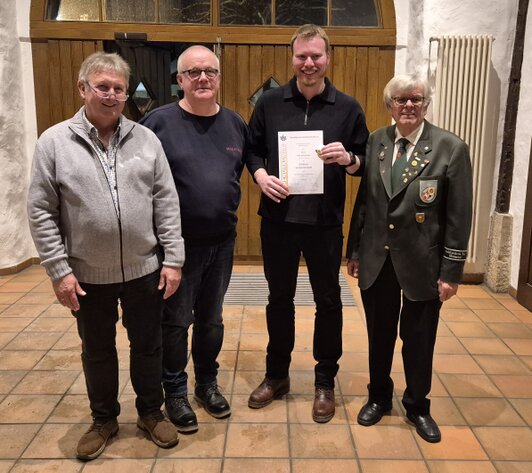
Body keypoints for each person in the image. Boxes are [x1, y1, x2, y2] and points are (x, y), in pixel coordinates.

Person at [27, 52, 183, 460]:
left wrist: (173, 259)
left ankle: (150, 412)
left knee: (148, 346)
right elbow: (40, 210)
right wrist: (59, 270)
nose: (111, 95)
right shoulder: (54, 142)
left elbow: (166, 202)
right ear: (83, 88)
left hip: (145, 269)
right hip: (86, 274)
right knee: (97, 350)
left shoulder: (146, 140)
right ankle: (103, 419)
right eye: (103, 87)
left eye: (118, 88)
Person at [246, 24, 369, 423]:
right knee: (278, 300)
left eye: (316, 56)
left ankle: (324, 381)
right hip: (278, 220)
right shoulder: (270, 102)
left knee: (328, 302)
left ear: (327, 58)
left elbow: (365, 160)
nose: (309, 63)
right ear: (293, 58)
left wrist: (349, 159)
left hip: (324, 222)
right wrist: (261, 176)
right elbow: (251, 150)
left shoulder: (347, 107)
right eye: (302, 56)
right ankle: (276, 375)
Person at [346, 74, 473, 443]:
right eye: (401, 99)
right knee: (379, 334)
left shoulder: (450, 148)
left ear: (426, 104)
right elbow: (366, 202)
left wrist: (451, 271)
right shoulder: (377, 141)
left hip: (423, 264)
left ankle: (417, 405)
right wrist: (355, 251)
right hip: (378, 259)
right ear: (390, 105)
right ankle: (378, 397)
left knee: (419, 339)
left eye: (416, 99)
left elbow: (458, 216)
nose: (408, 106)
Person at [140, 45, 247, 433]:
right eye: (193, 72)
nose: (203, 78)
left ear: (219, 77)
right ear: (179, 79)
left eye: (210, 71)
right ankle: (175, 392)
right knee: (175, 322)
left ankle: (206, 384)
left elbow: (243, 169)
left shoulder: (235, 123)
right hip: (175, 248)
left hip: (222, 242)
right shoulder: (157, 123)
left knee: (211, 320)